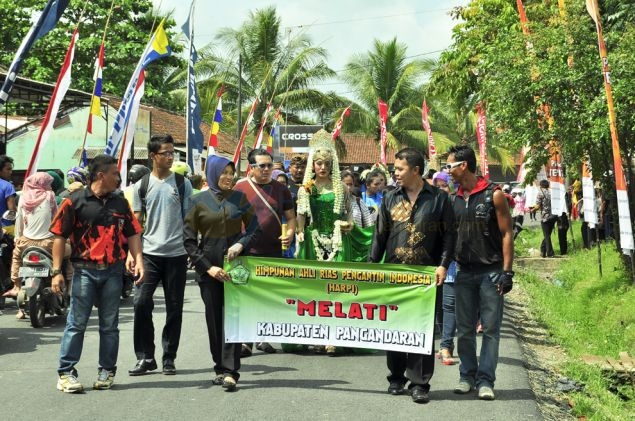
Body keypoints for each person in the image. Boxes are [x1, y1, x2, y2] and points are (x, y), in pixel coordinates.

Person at [50, 154, 144, 393]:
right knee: (77, 324)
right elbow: (59, 236)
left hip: (113, 272)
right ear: (101, 175)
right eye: (115, 173)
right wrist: (56, 271)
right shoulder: (74, 201)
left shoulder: (120, 202)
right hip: (84, 272)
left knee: (110, 325)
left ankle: (107, 370)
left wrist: (137, 258)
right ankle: (66, 372)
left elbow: (133, 232)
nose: (119, 178)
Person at [368, 147, 453, 404]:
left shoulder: (439, 199)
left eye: (400, 169)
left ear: (416, 170)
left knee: (423, 328)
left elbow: (449, 236)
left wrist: (443, 265)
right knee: (395, 326)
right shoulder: (390, 198)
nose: (396, 174)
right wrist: (372, 266)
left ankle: (420, 383)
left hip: (426, 275)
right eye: (395, 169)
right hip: (395, 273)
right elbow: (380, 235)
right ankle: (396, 377)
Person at [184, 154, 260, 391]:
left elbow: (255, 227)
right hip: (209, 268)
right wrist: (208, 267)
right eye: (224, 173)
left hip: (236, 267)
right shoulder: (197, 201)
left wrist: (241, 244)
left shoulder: (240, 198)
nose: (229, 177)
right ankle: (219, 366)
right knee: (214, 320)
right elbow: (188, 241)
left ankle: (231, 370)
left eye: (231, 172)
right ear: (214, 174)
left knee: (234, 318)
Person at [445, 145, 514, 401]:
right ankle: (466, 376)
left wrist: (507, 272)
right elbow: (450, 237)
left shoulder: (493, 194)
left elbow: (507, 233)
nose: (447, 171)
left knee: (491, 330)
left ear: (463, 165)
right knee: (463, 329)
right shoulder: (454, 198)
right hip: (463, 273)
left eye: (449, 165)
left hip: (491, 273)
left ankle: (486, 381)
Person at [129, 135, 193, 376]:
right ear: (153, 156)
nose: (170, 157)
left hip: (176, 254)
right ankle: (145, 357)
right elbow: (136, 223)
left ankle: (169, 357)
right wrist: (131, 254)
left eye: (172, 153)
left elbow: (189, 219)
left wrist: (190, 248)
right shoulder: (141, 186)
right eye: (165, 153)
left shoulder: (182, 183)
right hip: (149, 255)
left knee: (174, 307)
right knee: (140, 303)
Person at [295, 129, 353, 355]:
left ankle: (335, 336)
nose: (321, 167)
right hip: (314, 239)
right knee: (314, 291)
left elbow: (349, 212)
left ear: (331, 165)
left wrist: (349, 224)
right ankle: (316, 335)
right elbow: (301, 214)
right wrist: (299, 232)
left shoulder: (341, 188)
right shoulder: (306, 188)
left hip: (337, 242)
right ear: (314, 164)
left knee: (337, 292)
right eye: (318, 163)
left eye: (325, 163)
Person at [234, 149, 296, 355]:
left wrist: (291, 233)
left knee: (268, 297)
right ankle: (245, 341)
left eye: (270, 165)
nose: (267, 169)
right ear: (251, 167)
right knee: (246, 298)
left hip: (273, 251)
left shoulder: (281, 189)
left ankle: (264, 337)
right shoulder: (239, 188)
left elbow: (291, 217)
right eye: (262, 166)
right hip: (246, 251)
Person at [3, 173, 72, 319]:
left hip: (26, 241)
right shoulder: (50, 196)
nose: (49, 186)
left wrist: (18, 238)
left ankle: (16, 286)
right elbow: (55, 219)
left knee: (16, 258)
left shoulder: (23, 198)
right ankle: (69, 285)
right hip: (49, 243)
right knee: (68, 253)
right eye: (48, 183)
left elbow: (20, 221)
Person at [532, 179, 557, 258]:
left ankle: (550, 253)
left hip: (545, 217)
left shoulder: (540, 193)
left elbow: (538, 206)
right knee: (548, 235)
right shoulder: (552, 192)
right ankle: (543, 250)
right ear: (548, 185)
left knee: (546, 235)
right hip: (553, 216)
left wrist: (532, 210)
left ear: (541, 186)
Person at [0, 155, 17, 227]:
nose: (11, 172)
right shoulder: (8, 186)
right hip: (4, 229)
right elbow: (12, 211)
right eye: (8, 169)